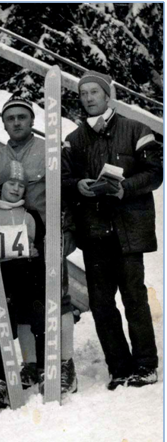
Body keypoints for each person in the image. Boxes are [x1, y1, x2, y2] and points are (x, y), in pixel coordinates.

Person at [62, 70, 162, 390]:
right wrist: (78, 185)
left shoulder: (136, 129)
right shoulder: (74, 140)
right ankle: (118, 368)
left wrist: (125, 188)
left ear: (108, 96)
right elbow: (63, 179)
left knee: (134, 297)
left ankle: (145, 365)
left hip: (128, 229)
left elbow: (155, 172)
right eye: (83, 93)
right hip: (94, 231)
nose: (88, 98)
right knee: (102, 303)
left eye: (94, 92)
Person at [0, 95, 77, 401]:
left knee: (58, 298)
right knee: (25, 305)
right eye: (10, 118)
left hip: (46, 235)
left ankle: (64, 364)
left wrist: (68, 229)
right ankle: (32, 364)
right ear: (3, 124)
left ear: (32, 120)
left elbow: (67, 191)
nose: (16, 123)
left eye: (22, 117)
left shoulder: (48, 151)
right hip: (12, 245)